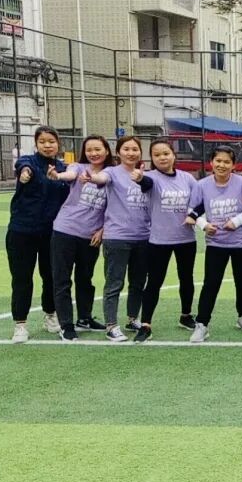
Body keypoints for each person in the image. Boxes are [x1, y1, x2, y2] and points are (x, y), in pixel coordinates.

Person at [186, 146, 242, 343]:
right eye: (218, 161)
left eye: (227, 162)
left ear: (233, 165)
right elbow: (192, 210)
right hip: (216, 243)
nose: (222, 165)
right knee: (211, 283)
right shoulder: (202, 185)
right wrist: (204, 225)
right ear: (211, 162)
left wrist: (236, 221)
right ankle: (202, 324)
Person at [7, 126, 69, 343]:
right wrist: (24, 174)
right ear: (36, 144)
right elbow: (22, 167)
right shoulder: (28, 162)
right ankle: (20, 324)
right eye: (42, 141)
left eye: (51, 141)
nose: (47, 145)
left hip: (51, 233)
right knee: (22, 278)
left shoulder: (63, 169)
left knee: (51, 276)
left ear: (58, 144)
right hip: (22, 231)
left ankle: (50, 315)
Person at [88, 136, 152, 342]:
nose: (131, 153)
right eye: (126, 149)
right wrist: (92, 178)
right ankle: (111, 325)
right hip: (117, 237)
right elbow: (101, 179)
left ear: (140, 153)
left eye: (135, 149)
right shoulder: (112, 172)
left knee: (138, 282)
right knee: (115, 282)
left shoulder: (146, 175)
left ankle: (132, 318)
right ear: (118, 152)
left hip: (143, 237)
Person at [137, 139, 200, 343]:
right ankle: (146, 324)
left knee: (186, 278)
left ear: (173, 155)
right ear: (151, 158)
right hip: (159, 240)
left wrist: (194, 215)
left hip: (186, 239)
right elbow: (145, 184)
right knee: (154, 281)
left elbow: (199, 201)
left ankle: (186, 315)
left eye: (166, 153)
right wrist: (139, 179)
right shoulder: (150, 177)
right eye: (157, 155)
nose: (162, 158)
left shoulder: (187, 178)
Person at [47, 135, 110, 341]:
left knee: (85, 279)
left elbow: (115, 207)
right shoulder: (78, 167)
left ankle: (84, 318)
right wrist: (57, 175)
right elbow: (70, 174)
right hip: (65, 231)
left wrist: (103, 230)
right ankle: (66, 325)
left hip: (90, 236)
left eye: (98, 149)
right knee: (62, 279)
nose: (93, 153)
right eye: (89, 149)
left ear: (107, 151)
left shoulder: (112, 173)